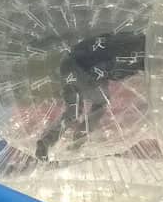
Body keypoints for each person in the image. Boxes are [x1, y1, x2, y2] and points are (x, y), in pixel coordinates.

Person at [34, 30, 147, 161]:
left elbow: (100, 43)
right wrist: (95, 78)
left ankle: (46, 141)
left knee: (72, 113)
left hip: (68, 65)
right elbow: (109, 65)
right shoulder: (135, 52)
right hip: (86, 72)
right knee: (101, 103)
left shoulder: (125, 37)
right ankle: (78, 139)